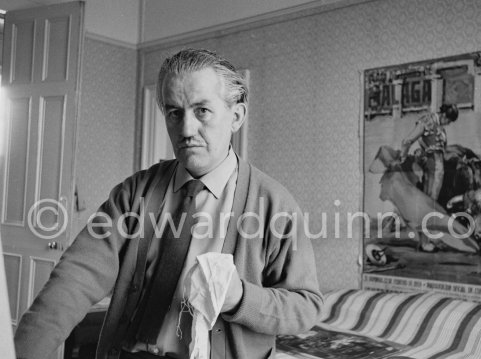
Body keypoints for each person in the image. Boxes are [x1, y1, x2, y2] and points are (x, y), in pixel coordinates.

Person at [14, 48, 323, 359]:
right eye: (175, 113)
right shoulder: (134, 193)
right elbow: (74, 279)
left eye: (202, 111)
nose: (186, 130)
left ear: (236, 117)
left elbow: (305, 307)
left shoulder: (274, 204)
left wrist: (239, 298)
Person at [400, 104, 459, 201]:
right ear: (444, 115)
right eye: (448, 120)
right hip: (434, 169)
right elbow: (407, 141)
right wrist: (403, 159)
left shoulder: (440, 127)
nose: (448, 123)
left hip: (434, 168)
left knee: (429, 201)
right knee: (431, 202)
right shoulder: (427, 121)